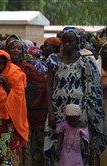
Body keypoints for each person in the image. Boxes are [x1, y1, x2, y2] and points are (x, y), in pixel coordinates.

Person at [45, 28, 107, 165]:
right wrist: (50, 112)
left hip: (79, 109)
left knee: (78, 141)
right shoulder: (53, 59)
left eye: (70, 41)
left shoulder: (84, 60)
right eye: (64, 41)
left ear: (77, 41)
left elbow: (91, 85)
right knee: (57, 142)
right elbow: (49, 85)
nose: (67, 44)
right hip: (58, 108)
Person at [6, 39, 48, 165]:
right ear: (7, 50)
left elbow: (40, 83)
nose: (16, 50)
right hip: (5, 110)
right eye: (13, 48)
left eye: (19, 48)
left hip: (24, 111)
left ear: (23, 52)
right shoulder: (2, 66)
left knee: (23, 139)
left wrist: (28, 102)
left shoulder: (28, 68)